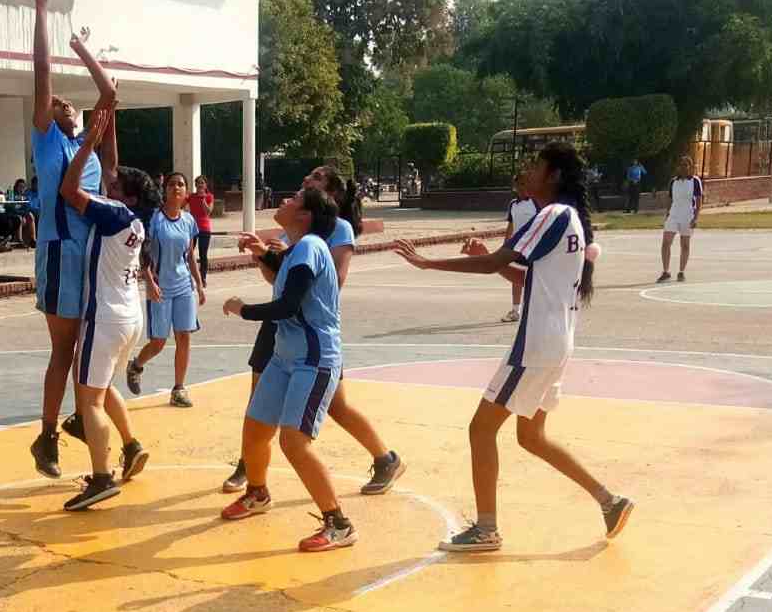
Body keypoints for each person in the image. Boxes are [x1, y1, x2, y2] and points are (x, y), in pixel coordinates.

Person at [394, 142, 633, 552]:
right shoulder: (570, 220)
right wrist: (494, 258)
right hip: (556, 343)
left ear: (554, 176)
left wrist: (429, 263)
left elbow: (493, 266)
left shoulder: (552, 214)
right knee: (531, 437)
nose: (526, 170)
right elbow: (524, 279)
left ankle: (486, 528)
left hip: (537, 344)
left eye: (535, 165)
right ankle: (609, 502)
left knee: (480, 429)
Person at [224, 165, 404, 496]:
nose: (306, 180)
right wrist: (265, 257)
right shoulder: (293, 234)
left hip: (310, 331)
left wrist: (275, 279)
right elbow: (277, 282)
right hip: (283, 325)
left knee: (330, 409)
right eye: (307, 177)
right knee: (260, 401)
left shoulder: (334, 231)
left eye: (317, 179)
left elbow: (331, 280)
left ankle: (383, 459)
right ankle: (250, 468)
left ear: (328, 196)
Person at [221, 187, 355, 552]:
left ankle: (338, 523)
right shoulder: (298, 249)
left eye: (294, 200)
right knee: (255, 429)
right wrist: (262, 253)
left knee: (293, 441)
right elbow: (286, 273)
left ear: (305, 215)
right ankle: (258, 493)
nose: (285, 201)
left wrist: (242, 308)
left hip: (313, 359)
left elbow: (288, 305)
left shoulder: (311, 245)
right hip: (285, 358)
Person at [27, 0, 119, 479]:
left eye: (69, 103)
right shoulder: (49, 140)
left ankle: (82, 423)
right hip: (61, 250)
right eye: (57, 102)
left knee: (91, 348)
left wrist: (85, 52)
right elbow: (42, 75)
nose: (63, 102)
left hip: (91, 257)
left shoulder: (91, 145)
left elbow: (108, 96)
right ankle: (46, 438)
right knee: (66, 348)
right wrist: (42, 11)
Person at [57, 108, 155, 510]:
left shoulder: (114, 213)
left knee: (88, 399)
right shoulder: (137, 221)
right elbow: (111, 172)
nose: (106, 183)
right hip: (131, 315)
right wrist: (107, 112)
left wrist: (86, 146)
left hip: (107, 316)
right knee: (100, 385)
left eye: (113, 184)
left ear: (126, 195)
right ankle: (130, 446)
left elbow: (68, 189)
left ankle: (100, 479)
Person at [126, 173, 205, 408]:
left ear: (186, 191)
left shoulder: (189, 221)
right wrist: (149, 281)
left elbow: (190, 255)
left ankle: (179, 388)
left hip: (183, 286)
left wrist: (199, 284)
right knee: (159, 341)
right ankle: (136, 365)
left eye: (181, 184)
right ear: (165, 190)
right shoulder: (154, 220)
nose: (176, 188)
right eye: (172, 184)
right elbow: (144, 254)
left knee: (184, 336)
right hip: (161, 287)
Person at [658, 156, 703, 283]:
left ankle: (681, 272)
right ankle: (666, 271)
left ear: (690, 167)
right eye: (681, 165)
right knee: (666, 243)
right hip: (673, 215)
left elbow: (699, 201)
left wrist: (695, 218)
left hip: (687, 215)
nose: (683, 167)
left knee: (685, 245)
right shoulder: (673, 181)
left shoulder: (695, 181)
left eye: (686, 165)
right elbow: (670, 199)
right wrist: (667, 214)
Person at [500, 171, 538, 323]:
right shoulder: (513, 205)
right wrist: (505, 244)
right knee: (516, 278)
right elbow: (511, 225)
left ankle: (535, 311)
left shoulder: (536, 202)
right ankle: (515, 311)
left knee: (535, 278)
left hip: (534, 247)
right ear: (515, 186)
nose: (522, 187)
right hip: (517, 247)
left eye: (525, 183)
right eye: (519, 184)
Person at [187, 176, 214, 286]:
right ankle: (187, 276)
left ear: (205, 185)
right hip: (192, 228)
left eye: (202, 183)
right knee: (188, 253)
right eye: (198, 183)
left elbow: (208, 212)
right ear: (195, 185)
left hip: (204, 229)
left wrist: (203, 200)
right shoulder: (191, 196)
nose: (200, 185)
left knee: (203, 254)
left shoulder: (209, 197)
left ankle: (202, 278)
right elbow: (181, 205)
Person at [8, 178, 36, 246]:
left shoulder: (25, 196)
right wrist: (22, 215)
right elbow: (12, 209)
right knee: (20, 218)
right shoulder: (12, 195)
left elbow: (27, 208)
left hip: (22, 215)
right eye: (20, 186)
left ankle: (33, 239)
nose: (22, 189)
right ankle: (20, 241)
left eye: (23, 187)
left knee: (30, 215)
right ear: (16, 187)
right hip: (12, 215)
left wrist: (23, 215)